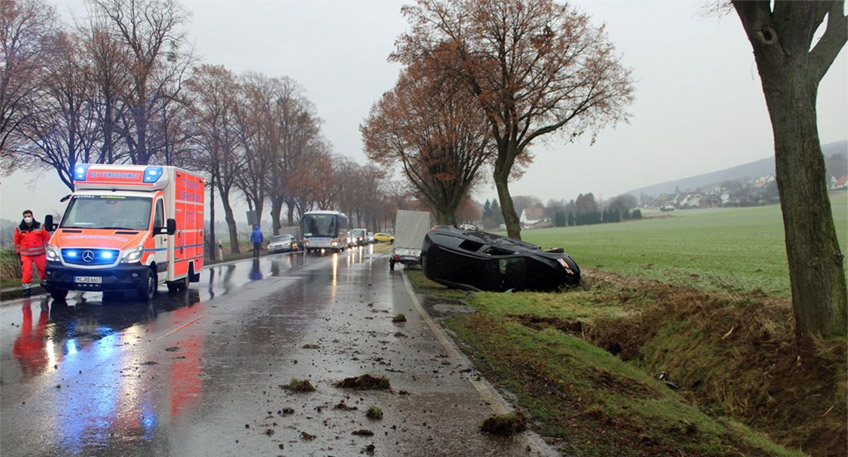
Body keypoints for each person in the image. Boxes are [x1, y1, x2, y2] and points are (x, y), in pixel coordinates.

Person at [14, 210, 51, 297]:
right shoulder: (19, 228)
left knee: (43, 270)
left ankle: (45, 283)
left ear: (32, 216)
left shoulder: (40, 226)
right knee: (27, 272)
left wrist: (49, 249)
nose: (27, 218)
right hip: (26, 255)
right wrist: (18, 252)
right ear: (23, 217)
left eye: (29, 216)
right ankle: (27, 289)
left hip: (39, 254)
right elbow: (16, 241)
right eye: (26, 216)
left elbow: (46, 238)